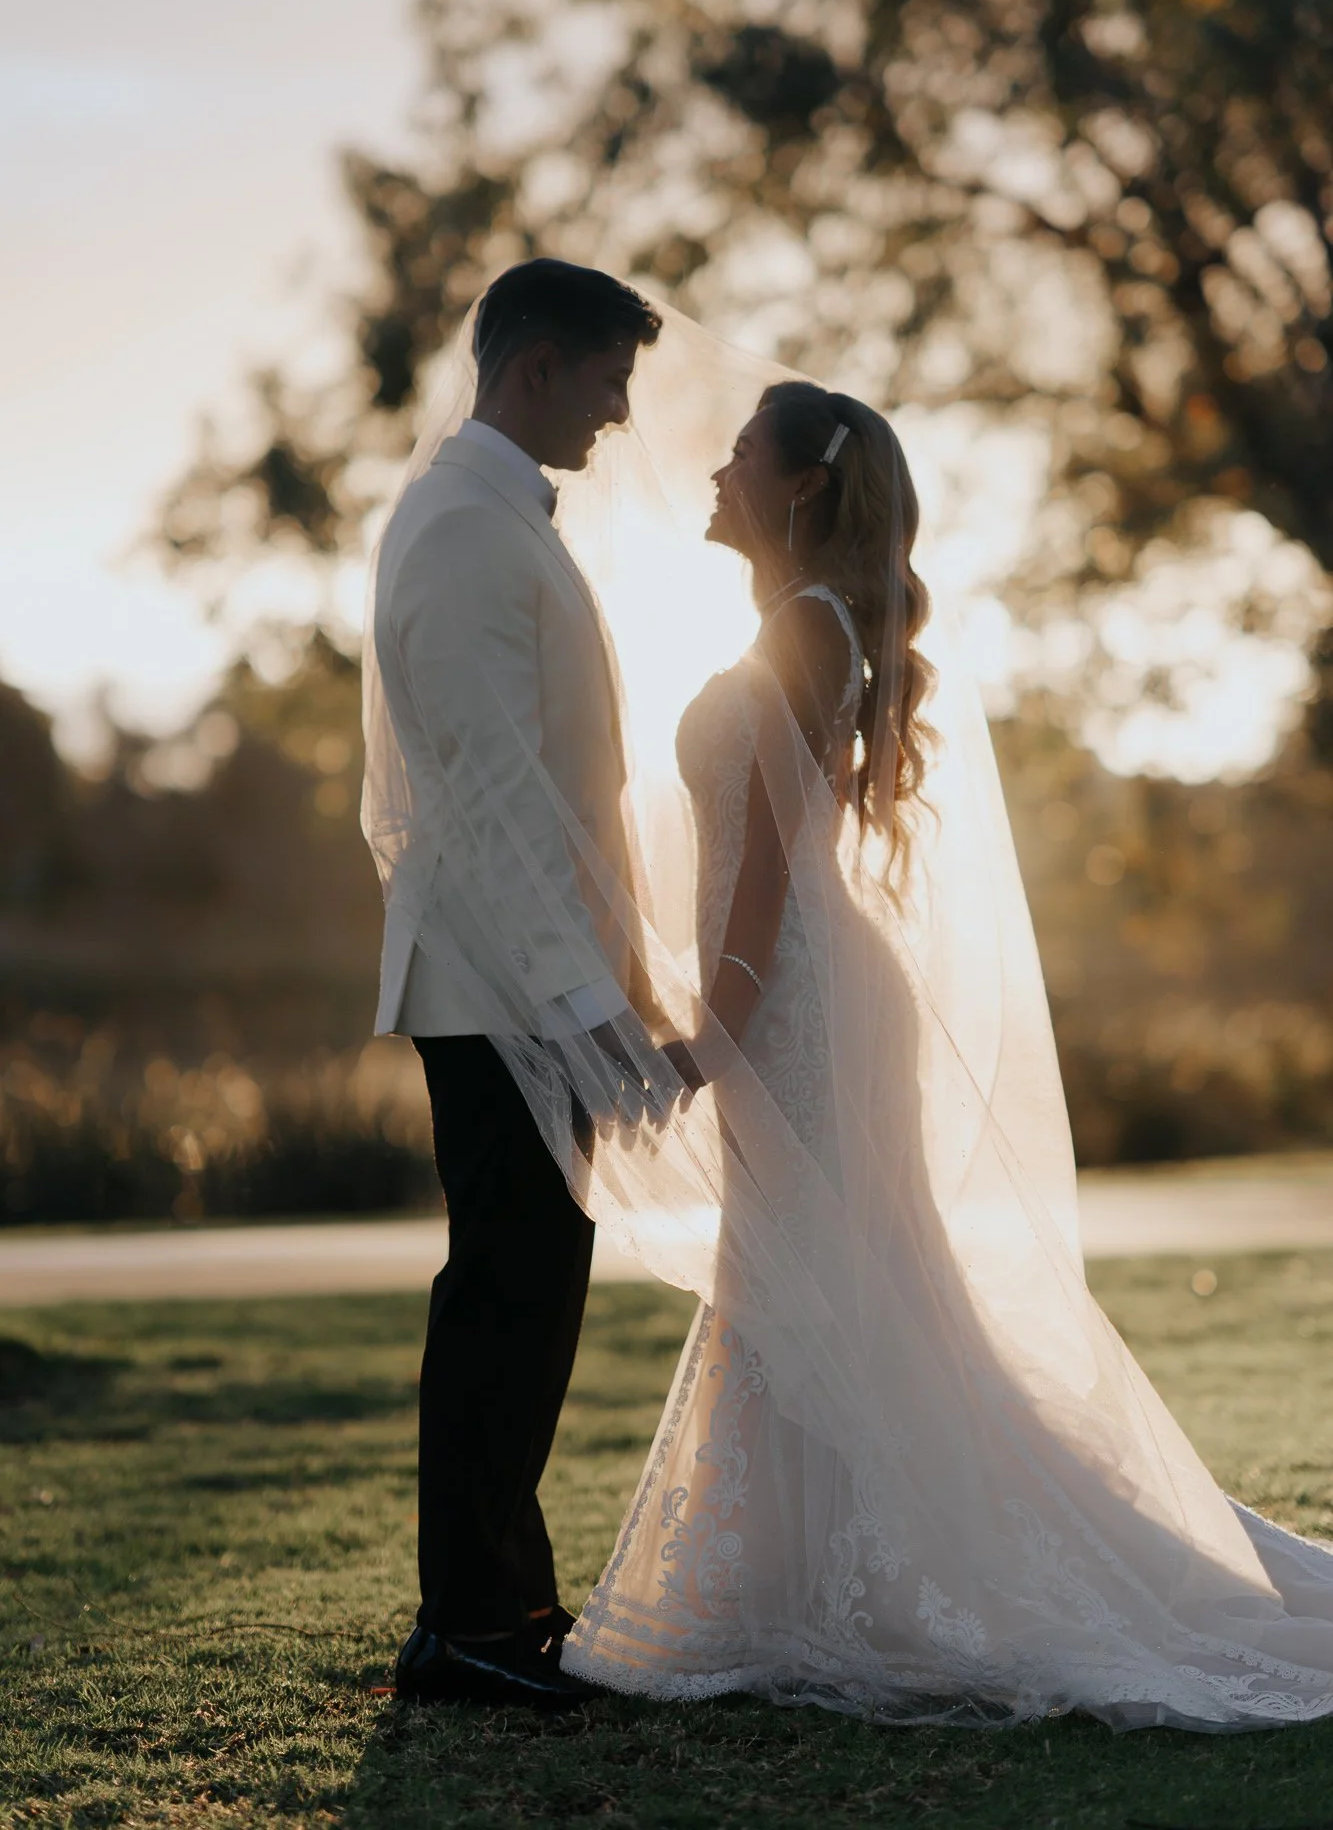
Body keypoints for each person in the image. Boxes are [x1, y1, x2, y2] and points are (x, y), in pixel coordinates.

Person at [558, 375, 1333, 1730]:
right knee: (816, 1271)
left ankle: (854, 1581)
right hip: (801, 995)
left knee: (827, 1271)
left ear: (800, 484)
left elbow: (769, 879)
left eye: (741, 453)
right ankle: (798, 1577)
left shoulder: (803, 630)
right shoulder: (799, 625)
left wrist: (711, 1035)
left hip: (795, 1003)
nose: (715, 471)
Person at [362, 259, 663, 1707]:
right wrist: (584, 999)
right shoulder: (467, 530)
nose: (618, 410)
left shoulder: (488, 513)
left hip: (526, 980)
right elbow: (489, 798)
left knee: (532, 1287)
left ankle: (503, 1609)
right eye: (608, 377)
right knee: (506, 1288)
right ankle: (471, 1626)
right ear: (537, 363)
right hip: (499, 989)